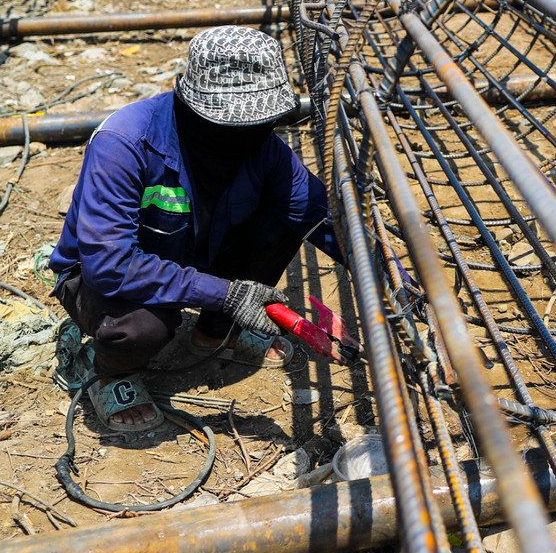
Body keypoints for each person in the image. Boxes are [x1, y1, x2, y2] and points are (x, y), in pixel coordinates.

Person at [50, 26, 343, 432]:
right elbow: (109, 265)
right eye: (235, 124)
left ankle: (211, 333)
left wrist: (392, 275)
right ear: (193, 107)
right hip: (102, 279)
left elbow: (320, 216)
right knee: (138, 331)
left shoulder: (262, 148)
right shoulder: (125, 142)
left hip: (195, 253)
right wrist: (228, 293)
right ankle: (111, 373)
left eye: (262, 123)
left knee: (285, 220)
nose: (250, 135)